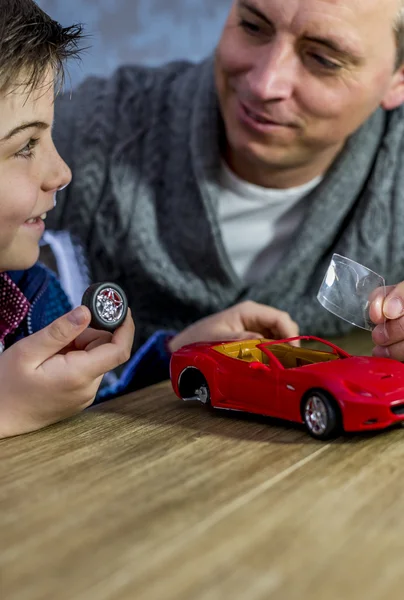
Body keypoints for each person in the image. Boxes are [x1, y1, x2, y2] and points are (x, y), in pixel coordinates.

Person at [48, 0, 404, 374]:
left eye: (323, 60)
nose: (264, 83)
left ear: (398, 78)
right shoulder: (77, 137)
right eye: (253, 26)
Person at [0, 0, 139, 439]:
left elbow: (91, 416)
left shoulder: (37, 295)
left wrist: (183, 353)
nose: (62, 173)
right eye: (26, 146)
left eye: (50, 136)